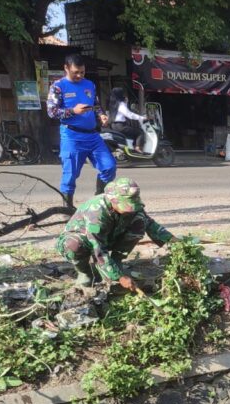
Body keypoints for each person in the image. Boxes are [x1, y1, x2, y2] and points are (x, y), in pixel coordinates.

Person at [56, 177, 175, 288]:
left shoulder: (133, 208)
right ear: (113, 200)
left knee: (140, 222)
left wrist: (173, 241)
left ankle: (116, 261)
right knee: (74, 245)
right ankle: (85, 272)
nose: (130, 210)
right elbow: (98, 248)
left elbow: (150, 224)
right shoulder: (96, 211)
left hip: (108, 237)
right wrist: (119, 277)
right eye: (125, 206)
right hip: (85, 240)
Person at [47, 54, 116, 208]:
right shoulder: (58, 87)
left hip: (92, 136)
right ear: (66, 68)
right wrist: (73, 111)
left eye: (82, 72)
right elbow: (52, 112)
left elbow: (96, 105)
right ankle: (68, 210)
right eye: (75, 72)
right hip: (71, 136)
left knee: (109, 166)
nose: (79, 75)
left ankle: (98, 201)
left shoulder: (90, 84)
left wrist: (101, 115)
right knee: (70, 174)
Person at [109, 87, 147, 152]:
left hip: (113, 126)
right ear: (120, 94)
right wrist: (142, 118)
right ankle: (137, 147)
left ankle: (132, 148)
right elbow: (129, 115)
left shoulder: (112, 104)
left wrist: (125, 102)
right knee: (140, 132)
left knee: (132, 132)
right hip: (120, 126)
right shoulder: (120, 104)